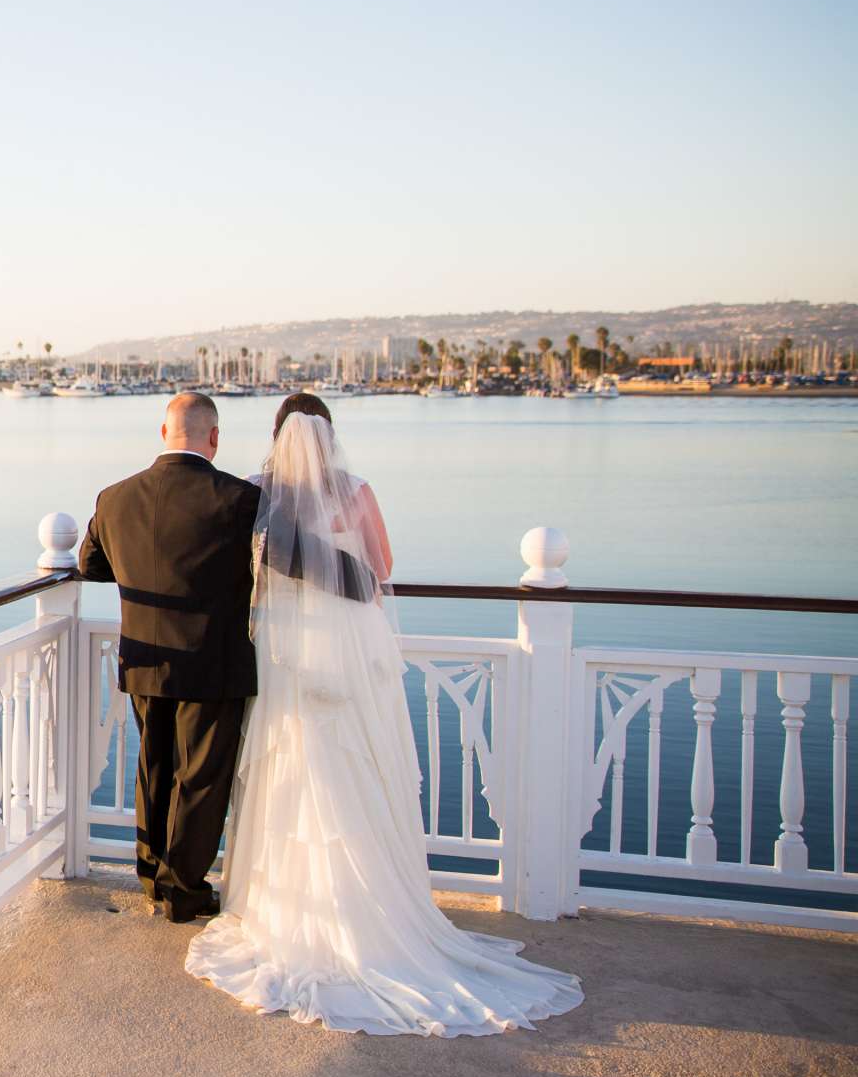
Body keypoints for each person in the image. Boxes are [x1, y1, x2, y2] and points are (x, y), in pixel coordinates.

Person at [184, 393, 583, 1035]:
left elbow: (246, 572)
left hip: (284, 654)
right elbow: (382, 571)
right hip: (345, 650)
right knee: (356, 764)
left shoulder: (258, 493)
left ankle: (285, 912)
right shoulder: (357, 491)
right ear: (330, 438)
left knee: (291, 768)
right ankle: (373, 914)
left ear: (278, 437)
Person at [75, 392, 260, 922]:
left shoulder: (114, 498)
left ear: (163, 433)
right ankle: (183, 889)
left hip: (144, 658)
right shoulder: (240, 500)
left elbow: (91, 567)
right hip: (213, 662)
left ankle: (152, 875)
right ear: (214, 437)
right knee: (200, 777)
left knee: (153, 767)